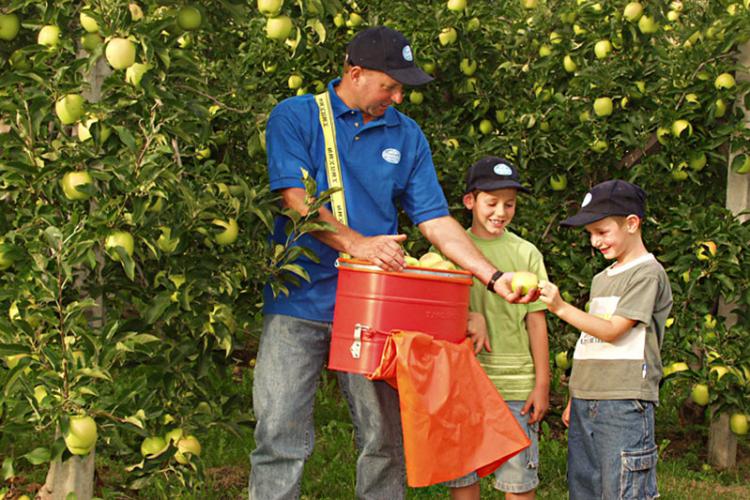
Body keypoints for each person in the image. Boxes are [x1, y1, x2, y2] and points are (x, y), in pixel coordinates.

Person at [250, 26, 537, 500]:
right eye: (390, 85)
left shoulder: (406, 135)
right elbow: (294, 200)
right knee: (279, 432)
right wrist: (358, 244)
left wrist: (495, 276)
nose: (398, 97)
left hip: (376, 308)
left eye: (402, 87)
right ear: (355, 73)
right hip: (298, 298)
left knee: (384, 437)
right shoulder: (297, 116)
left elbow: (435, 220)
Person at [538, 180, 673, 499]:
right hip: (589, 400)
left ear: (631, 223)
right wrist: (576, 394)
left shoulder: (647, 274)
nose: (595, 241)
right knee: (584, 486)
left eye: (602, 231)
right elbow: (591, 340)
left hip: (624, 401)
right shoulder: (602, 278)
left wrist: (560, 307)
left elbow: (613, 330)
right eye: (590, 234)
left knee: (622, 488)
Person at [443, 157, 550, 500]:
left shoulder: (526, 253)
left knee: (518, 480)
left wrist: (543, 383)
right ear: (470, 201)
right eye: (492, 202)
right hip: (463, 381)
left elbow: (536, 320)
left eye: (510, 203)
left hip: (515, 384)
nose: (501, 212)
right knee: (464, 475)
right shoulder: (448, 250)